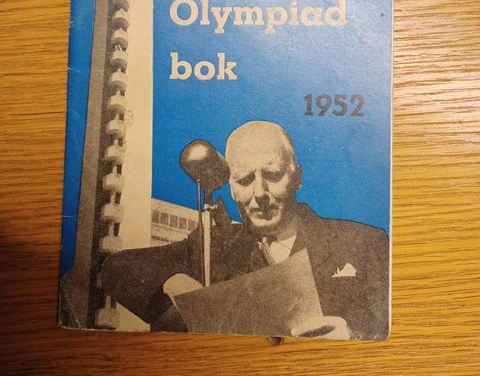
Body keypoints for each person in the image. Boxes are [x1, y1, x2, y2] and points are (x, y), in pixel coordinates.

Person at [101, 121, 389, 339]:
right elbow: (117, 267)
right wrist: (176, 282)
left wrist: (353, 337)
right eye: (245, 180)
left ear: (297, 177)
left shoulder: (364, 243)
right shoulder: (216, 247)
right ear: (231, 188)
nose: (259, 193)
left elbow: (396, 335)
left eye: (272, 175)